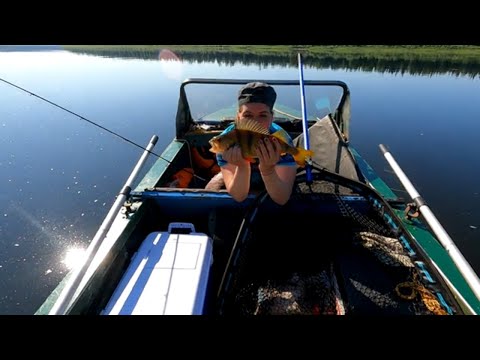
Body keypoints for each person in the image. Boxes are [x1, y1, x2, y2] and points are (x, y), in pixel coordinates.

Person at [215, 82, 297, 205]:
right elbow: (239, 197)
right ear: (238, 117)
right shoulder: (226, 140)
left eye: (263, 115)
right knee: (212, 186)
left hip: (273, 176)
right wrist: (242, 167)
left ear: (272, 117)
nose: (255, 122)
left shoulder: (280, 140)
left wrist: (268, 170)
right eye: (248, 115)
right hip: (238, 174)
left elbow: (281, 199)